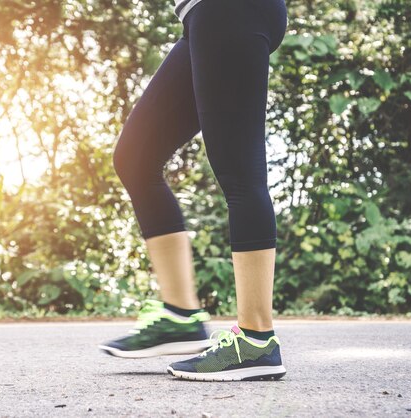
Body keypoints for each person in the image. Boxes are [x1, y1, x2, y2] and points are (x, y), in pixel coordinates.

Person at [98, 0, 289, 381]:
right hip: (202, 15)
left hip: (231, 9)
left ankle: (256, 340)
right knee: (136, 157)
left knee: (239, 172)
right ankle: (181, 317)